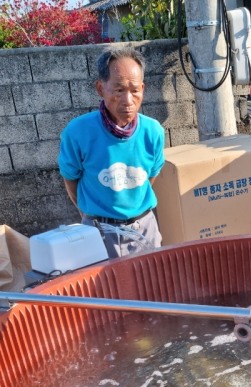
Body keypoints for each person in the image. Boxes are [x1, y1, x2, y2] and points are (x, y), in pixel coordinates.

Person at [58, 46, 166, 259]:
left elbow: (150, 177)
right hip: (97, 233)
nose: (128, 100)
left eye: (135, 90)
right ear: (100, 88)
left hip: (145, 229)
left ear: (143, 89)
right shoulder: (77, 132)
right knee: (103, 291)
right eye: (119, 90)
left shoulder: (153, 131)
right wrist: (89, 216)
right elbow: (71, 181)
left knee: (152, 289)